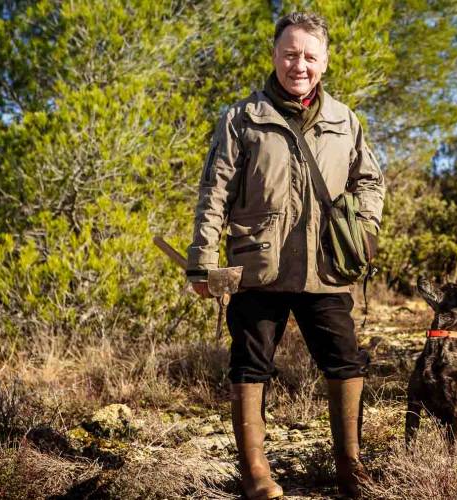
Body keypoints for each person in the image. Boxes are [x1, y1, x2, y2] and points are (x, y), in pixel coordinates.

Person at [185, 11, 385, 500]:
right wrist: (202, 258)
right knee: (249, 363)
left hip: (327, 268)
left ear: (325, 62)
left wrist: (363, 229)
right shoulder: (241, 118)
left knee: (345, 361)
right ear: (275, 55)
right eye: (290, 54)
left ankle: (349, 469)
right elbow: (215, 191)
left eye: (309, 56)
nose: (300, 65)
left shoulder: (346, 120)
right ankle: (256, 476)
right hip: (259, 267)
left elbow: (370, 181)